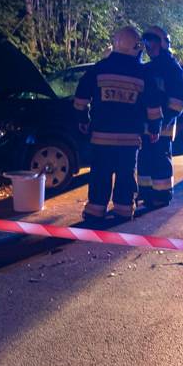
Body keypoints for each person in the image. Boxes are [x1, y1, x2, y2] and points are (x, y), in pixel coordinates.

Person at [73, 26, 162, 222]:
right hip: (129, 140)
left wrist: (83, 120)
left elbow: (80, 99)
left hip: (101, 138)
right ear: (135, 47)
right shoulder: (142, 73)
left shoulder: (99, 68)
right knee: (125, 175)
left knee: (100, 175)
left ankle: (95, 210)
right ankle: (123, 210)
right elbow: (153, 106)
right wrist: (155, 128)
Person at [138, 26, 183, 207]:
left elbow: (179, 101)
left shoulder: (172, 69)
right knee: (144, 160)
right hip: (145, 126)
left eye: (151, 41)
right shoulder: (148, 68)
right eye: (146, 42)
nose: (148, 46)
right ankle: (145, 193)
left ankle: (162, 195)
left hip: (163, 128)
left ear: (162, 44)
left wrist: (162, 122)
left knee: (160, 160)